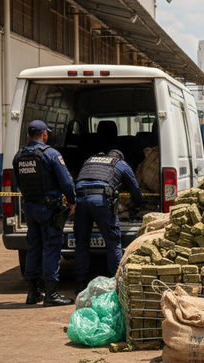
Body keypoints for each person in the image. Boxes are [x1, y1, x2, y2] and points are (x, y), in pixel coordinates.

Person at [12, 120, 76, 306]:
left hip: (29, 208)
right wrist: (72, 202)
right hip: (48, 208)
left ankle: (32, 294)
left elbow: (17, 183)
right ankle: (51, 295)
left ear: (28, 135)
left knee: (33, 247)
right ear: (45, 135)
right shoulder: (50, 154)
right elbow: (66, 182)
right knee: (51, 248)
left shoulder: (18, 156)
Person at [73, 149, 143, 294]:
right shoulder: (120, 164)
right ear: (121, 158)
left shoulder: (90, 159)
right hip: (100, 201)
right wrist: (137, 206)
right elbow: (135, 189)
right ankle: (116, 282)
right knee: (113, 242)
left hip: (79, 200)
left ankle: (80, 284)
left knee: (81, 243)